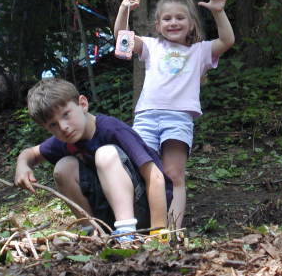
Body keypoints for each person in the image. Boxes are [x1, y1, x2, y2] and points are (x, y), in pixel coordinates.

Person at [114, 0, 235, 228]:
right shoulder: (151, 45)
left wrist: (218, 11)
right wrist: (124, 9)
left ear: (191, 24)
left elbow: (227, 40)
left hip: (178, 118)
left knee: (173, 173)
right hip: (146, 117)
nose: (173, 22)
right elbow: (122, 40)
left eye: (180, 17)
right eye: (166, 19)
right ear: (158, 25)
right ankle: (146, 223)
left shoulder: (200, 51)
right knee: (143, 171)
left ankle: (174, 230)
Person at [14, 78, 173, 242]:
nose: (63, 127)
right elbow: (31, 153)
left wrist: (159, 233)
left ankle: (127, 235)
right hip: (109, 217)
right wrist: (22, 165)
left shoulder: (111, 129)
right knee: (64, 168)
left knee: (105, 154)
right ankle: (94, 234)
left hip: (147, 212)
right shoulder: (65, 140)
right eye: (53, 125)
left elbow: (155, 177)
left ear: (82, 104)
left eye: (66, 115)